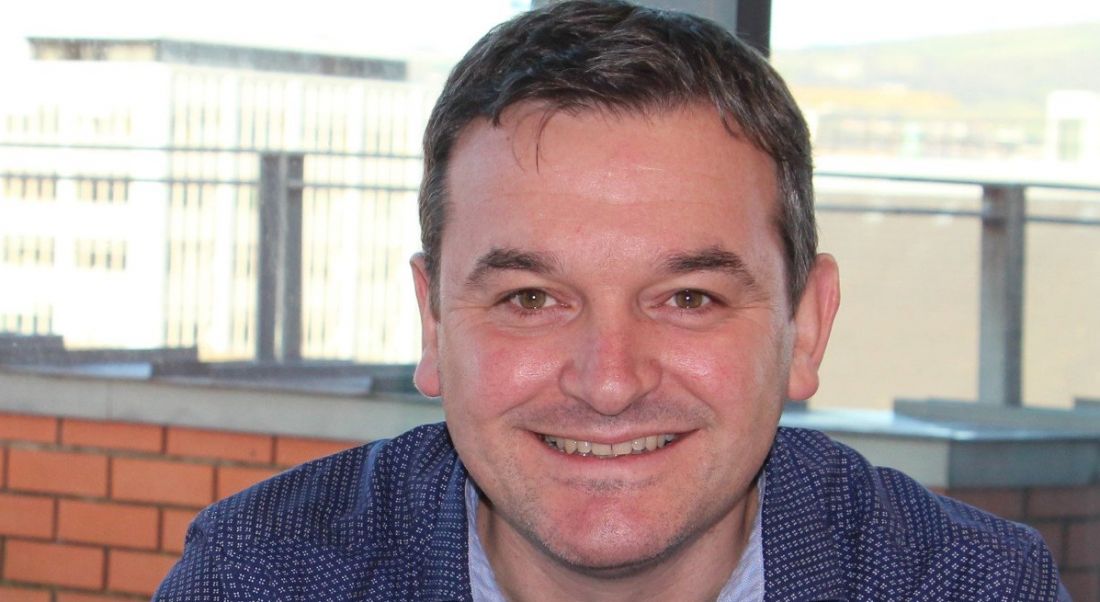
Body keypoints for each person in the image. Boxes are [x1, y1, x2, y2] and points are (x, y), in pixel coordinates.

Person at [156, 1, 1066, 600]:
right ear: (434, 323)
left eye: (690, 298)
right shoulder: (264, 573)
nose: (610, 382)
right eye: (529, 298)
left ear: (807, 325)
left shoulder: (967, 585)